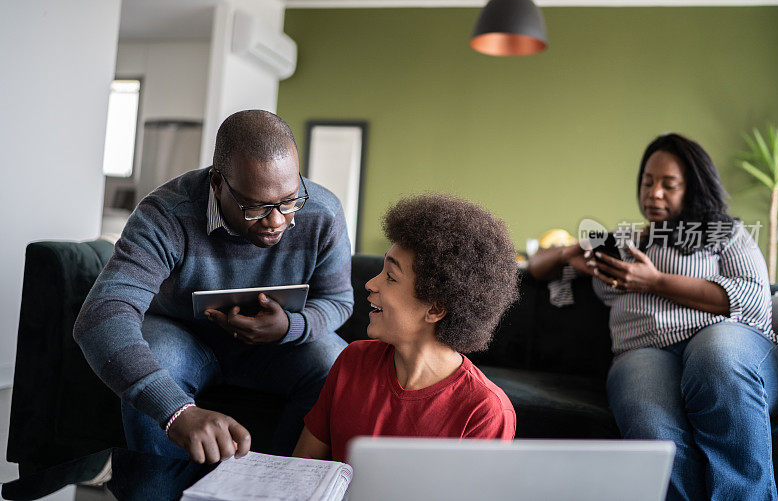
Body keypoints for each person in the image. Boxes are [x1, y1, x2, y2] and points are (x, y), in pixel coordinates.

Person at [75, 110, 353, 463]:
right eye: (256, 207)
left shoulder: (323, 212)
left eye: (289, 200)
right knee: (158, 352)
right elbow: (101, 315)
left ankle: (279, 482)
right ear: (217, 183)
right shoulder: (165, 214)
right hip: (182, 337)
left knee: (336, 362)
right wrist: (176, 412)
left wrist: (289, 326)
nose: (277, 220)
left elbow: (339, 300)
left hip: (278, 350)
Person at [528, 133, 778, 500]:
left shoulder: (726, 233)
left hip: (725, 338)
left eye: (669, 185)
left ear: (693, 188)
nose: (654, 193)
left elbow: (750, 297)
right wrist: (567, 253)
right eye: (648, 182)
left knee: (716, 355)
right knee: (654, 431)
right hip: (644, 351)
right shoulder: (621, 243)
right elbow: (535, 267)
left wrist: (654, 281)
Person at [293, 195, 519, 462]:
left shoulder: (485, 411)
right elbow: (302, 470)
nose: (370, 284)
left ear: (435, 309)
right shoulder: (352, 361)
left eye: (390, 277)